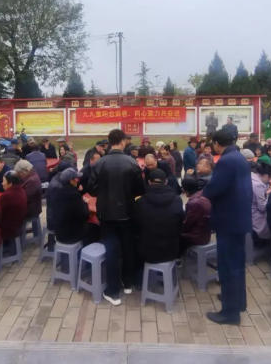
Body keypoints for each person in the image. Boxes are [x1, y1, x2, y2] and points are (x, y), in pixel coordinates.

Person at [89, 128, 145, 306]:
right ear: (122, 141)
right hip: (127, 212)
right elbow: (140, 190)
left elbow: (92, 189)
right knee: (128, 248)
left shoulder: (100, 163)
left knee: (112, 250)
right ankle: (127, 282)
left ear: (110, 142)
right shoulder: (132, 162)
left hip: (106, 214)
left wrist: (104, 192)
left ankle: (113, 291)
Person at [203, 130, 252, 326]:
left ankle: (230, 313)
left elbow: (214, 189)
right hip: (239, 219)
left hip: (229, 221)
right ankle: (237, 301)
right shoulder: (239, 158)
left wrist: (205, 189)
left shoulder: (226, 161)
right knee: (237, 265)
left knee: (228, 267)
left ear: (216, 143)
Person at [134, 169, 184, 266]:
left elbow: (137, 226)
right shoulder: (177, 200)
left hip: (148, 252)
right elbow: (180, 223)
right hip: (172, 251)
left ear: (149, 182)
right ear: (166, 181)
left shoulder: (140, 202)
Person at [51, 168, 94, 245]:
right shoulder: (73, 195)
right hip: (70, 236)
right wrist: (85, 203)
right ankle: (85, 249)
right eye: (76, 178)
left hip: (59, 232)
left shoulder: (58, 191)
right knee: (95, 227)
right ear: (71, 181)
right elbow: (85, 215)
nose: (78, 180)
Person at [180, 173, 212, 254]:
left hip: (197, 237)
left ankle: (179, 257)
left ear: (185, 189)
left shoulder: (194, 203)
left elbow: (187, 225)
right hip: (205, 233)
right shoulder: (203, 195)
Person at [0, 170, 28, 243]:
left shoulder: (7, 196)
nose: (2, 183)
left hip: (8, 229)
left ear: (10, 183)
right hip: (19, 224)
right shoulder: (22, 190)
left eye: (4, 181)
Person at [250, 161, 271, 243]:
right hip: (256, 220)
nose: (270, 180)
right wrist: (269, 194)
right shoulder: (258, 185)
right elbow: (262, 207)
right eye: (270, 178)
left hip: (248, 214)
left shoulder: (251, 176)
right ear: (266, 175)